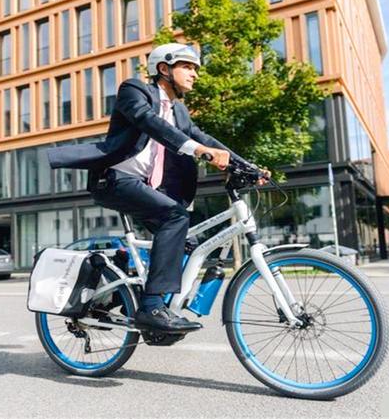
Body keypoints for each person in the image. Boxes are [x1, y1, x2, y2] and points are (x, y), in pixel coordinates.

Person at [47, 43, 268, 333]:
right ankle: (152, 307)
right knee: (175, 217)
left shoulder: (180, 111)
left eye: (196, 69)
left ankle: (137, 301)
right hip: (115, 180)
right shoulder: (135, 90)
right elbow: (148, 121)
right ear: (164, 68)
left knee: (185, 241)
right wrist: (196, 149)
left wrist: (249, 167)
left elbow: (206, 138)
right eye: (187, 67)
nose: (195, 75)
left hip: (147, 186)